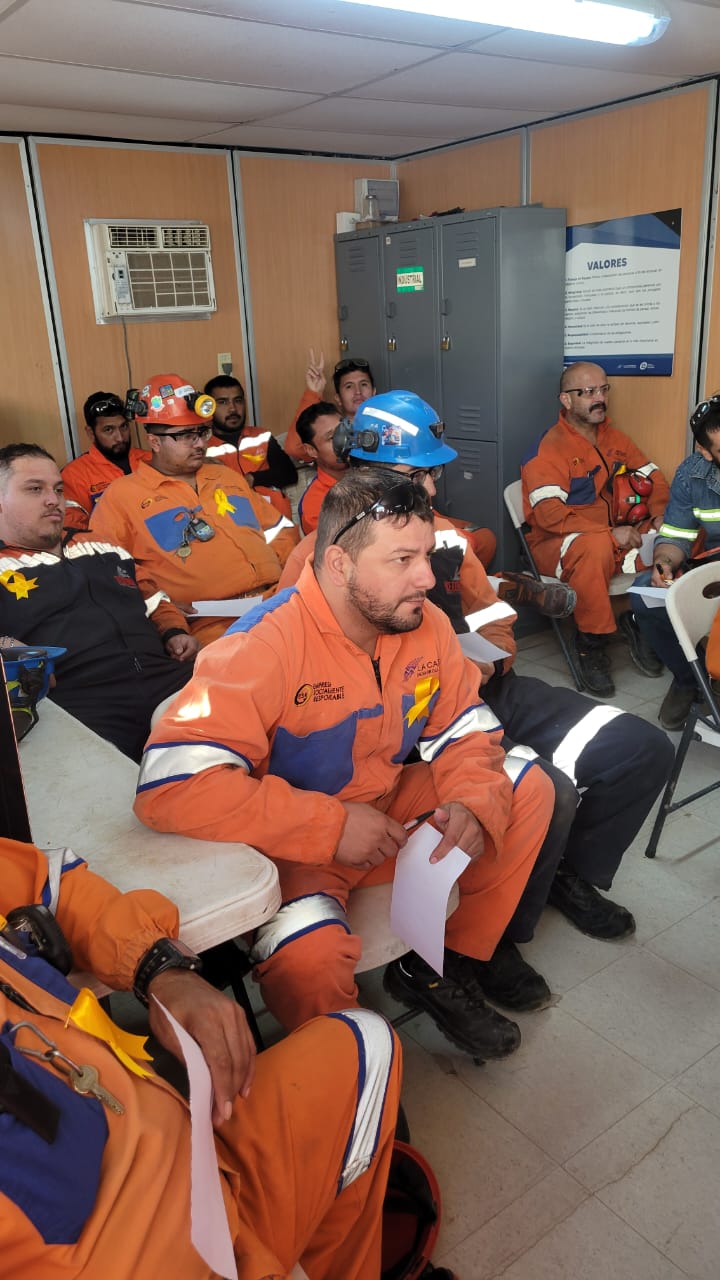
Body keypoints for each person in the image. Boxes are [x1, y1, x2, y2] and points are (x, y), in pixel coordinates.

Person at [135, 467, 562, 1064]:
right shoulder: (260, 646)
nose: (427, 577)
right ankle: (344, 1072)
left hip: (386, 809)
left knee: (527, 787)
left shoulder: (427, 624)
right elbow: (170, 788)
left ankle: (440, 964)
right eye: (403, 560)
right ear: (338, 564)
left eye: (427, 555)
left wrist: (470, 799)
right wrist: (330, 825)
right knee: (306, 957)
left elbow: (466, 730)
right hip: (291, 848)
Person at [279, 392, 674, 944]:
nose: (430, 490)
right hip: (411, 720)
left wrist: (489, 658)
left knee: (640, 748)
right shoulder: (321, 556)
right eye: (415, 476)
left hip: (484, 686)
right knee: (548, 791)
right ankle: (498, 935)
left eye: (432, 475)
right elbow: (307, 669)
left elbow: (492, 616)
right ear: (365, 473)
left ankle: (567, 873)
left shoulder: (444, 535)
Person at [0, 834, 400, 1279]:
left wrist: (158, 968)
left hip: (196, 1160)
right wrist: (331, 825)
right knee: (313, 960)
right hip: (173, 1256)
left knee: (367, 1045)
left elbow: (49, 884)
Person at [0, 443, 195, 761]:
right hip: (83, 706)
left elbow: (150, 594)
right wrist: (5, 645)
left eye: (58, 489)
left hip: (167, 678)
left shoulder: (100, 544)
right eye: (35, 489)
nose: (53, 500)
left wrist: (173, 630)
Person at [89, 373, 299, 649]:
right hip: (210, 625)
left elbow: (280, 530)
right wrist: (162, 610)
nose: (200, 443)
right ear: (154, 441)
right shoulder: (122, 497)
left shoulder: (226, 477)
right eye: (187, 436)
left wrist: (287, 579)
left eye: (202, 432)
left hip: (280, 602)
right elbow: (106, 574)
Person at [521, 362, 670, 697]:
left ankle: (640, 619)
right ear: (566, 400)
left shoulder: (615, 439)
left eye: (603, 389)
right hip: (559, 543)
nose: (599, 398)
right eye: (587, 392)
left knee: (681, 535)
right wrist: (607, 533)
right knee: (594, 547)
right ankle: (591, 644)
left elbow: (654, 478)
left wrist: (660, 516)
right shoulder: (550, 448)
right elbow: (548, 514)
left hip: (614, 537)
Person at [287, 351, 497, 565]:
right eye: (349, 386)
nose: (432, 490)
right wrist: (313, 392)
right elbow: (295, 446)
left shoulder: (389, 447)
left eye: (363, 384)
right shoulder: (328, 526)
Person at [632, 394, 720, 729]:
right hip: (713, 568)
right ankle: (690, 680)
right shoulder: (692, 475)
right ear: (705, 452)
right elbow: (675, 535)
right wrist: (664, 563)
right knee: (646, 592)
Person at [203, 374, 298, 519]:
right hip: (233, 522)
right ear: (209, 408)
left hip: (277, 519)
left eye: (238, 400)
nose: (233, 409)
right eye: (223, 402)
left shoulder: (262, 436)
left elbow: (289, 474)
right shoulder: (202, 450)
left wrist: (253, 478)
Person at [62, 391, 151, 531]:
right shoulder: (74, 475)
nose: (120, 438)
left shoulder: (151, 459)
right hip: (109, 543)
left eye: (124, 426)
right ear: (91, 433)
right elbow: (74, 530)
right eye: (108, 430)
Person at [295, 400, 346, 533]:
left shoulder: (374, 471)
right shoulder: (315, 506)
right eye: (333, 437)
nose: (344, 440)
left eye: (345, 430)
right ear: (311, 450)